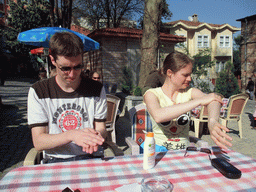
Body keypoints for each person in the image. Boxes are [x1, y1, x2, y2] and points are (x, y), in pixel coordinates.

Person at [27, 32, 107, 163]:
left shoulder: (96, 89)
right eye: (65, 68)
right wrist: (72, 135)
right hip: (55, 159)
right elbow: (39, 142)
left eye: (78, 67)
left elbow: (101, 128)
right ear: (53, 60)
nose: (72, 74)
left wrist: (96, 137)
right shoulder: (38, 91)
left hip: (90, 157)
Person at [143, 51, 232, 152]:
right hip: (158, 151)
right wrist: (198, 101)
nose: (189, 79)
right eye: (185, 75)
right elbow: (158, 116)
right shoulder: (151, 94)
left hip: (184, 152)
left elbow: (214, 100)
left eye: (190, 74)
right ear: (170, 73)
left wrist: (212, 121)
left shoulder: (189, 92)